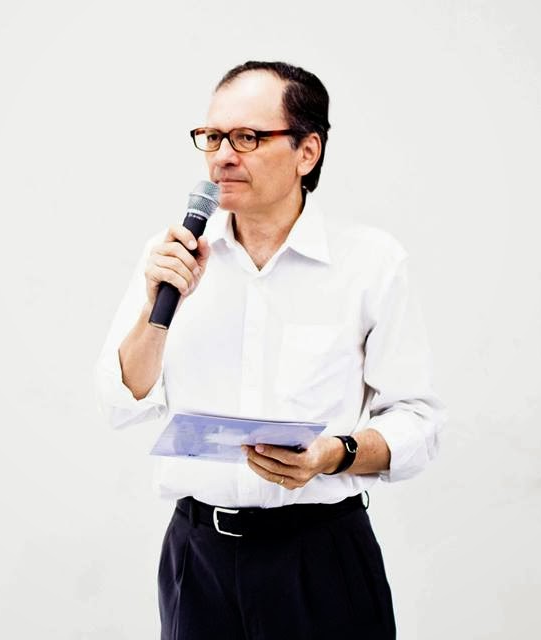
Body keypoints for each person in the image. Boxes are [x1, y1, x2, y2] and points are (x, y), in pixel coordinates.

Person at [94, 61, 445, 639]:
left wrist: (334, 454)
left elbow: (418, 423)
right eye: (212, 137)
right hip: (198, 560)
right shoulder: (173, 256)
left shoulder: (370, 263)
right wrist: (156, 308)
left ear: (308, 151)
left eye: (247, 138)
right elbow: (121, 402)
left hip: (319, 557)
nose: (222, 157)